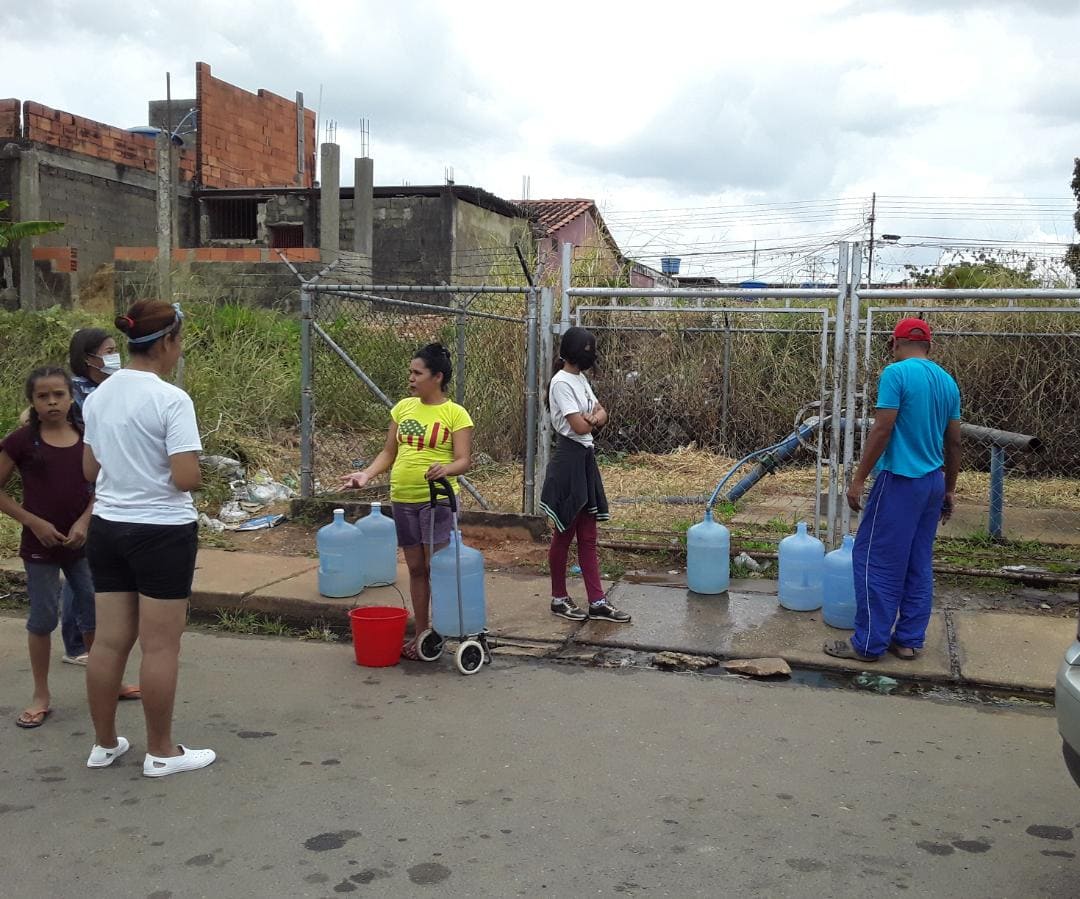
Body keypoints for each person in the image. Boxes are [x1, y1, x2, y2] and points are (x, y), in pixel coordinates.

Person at [82, 300, 215, 776]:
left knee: (109, 642)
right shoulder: (171, 399)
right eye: (179, 341)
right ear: (166, 342)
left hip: (108, 527)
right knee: (160, 646)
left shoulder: (98, 396)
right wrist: (198, 470)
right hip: (160, 531)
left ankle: (104, 744)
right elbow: (184, 477)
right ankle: (161, 750)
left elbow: (89, 469)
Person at [824, 317, 961, 663]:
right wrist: (949, 489)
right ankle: (909, 640)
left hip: (900, 480)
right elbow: (955, 441)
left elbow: (883, 429)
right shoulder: (947, 382)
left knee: (874, 560)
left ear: (895, 344)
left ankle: (869, 643)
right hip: (932, 482)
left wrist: (858, 479)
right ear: (929, 345)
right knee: (918, 561)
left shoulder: (895, 374)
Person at [339, 344, 473, 660]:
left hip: (437, 498)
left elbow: (464, 460)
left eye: (417, 373)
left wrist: (447, 468)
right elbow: (389, 452)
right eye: (410, 372)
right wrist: (366, 475)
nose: (410, 379)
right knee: (415, 568)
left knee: (434, 567)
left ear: (437, 377)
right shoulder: (403, 409)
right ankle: (422, 634)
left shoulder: (455, 414)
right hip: (403, 498)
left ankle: (441, 632)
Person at [0, 367, 96, 728]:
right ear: (33, 402)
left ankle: (106, 682)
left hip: (82, 542)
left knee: (93, 614)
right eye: (43, 396)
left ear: (72, 397)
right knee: (42, 618)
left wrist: (85, 521)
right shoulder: (22, 441)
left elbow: (104, 486)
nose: (52, 401)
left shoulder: (88, 436)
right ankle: (41, 694)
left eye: (59, 394)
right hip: (40, 545)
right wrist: (33, 522)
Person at [539, 327, 630, 624]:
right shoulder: (560, 383)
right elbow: (579, 427)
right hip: (568, 461)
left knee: (588, 537)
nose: (591, 356)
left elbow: (602, 412)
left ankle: (597, 601)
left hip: (585, 460)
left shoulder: (580, 379)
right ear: (573, 352)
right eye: (587, 350)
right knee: (564, 534)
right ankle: (558, 598)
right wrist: (593, 420)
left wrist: (594, 418)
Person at [55, 328, 122, 667]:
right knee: (79, 566)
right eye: (109, 350)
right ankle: (77, 642)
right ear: (89, 358)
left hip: (98, 483)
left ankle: (81, 639)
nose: (115, 355)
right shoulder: (77, 393)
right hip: (82, 484)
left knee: (82, 567)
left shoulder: (102, 388)